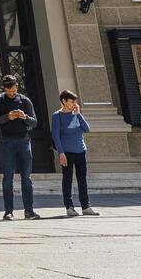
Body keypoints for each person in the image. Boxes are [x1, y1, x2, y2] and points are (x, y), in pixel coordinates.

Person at [0, 75, 41, 220]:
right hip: (6, 142)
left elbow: (34, 122)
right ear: (4, 88)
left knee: (26, 177)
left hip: (24, 141)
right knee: (8, 177)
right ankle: (8, 211)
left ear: (17, 87)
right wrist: (8, 117)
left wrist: (24, 116)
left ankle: (29, 211)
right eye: (8, 91)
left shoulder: (25, 100)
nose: (11, 93)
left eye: (13, 90)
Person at [51, 90, 98, 218]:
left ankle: (85, 207)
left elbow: (86, 129)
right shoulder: (57, 116)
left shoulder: (76, 114)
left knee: (82, 178)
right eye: (71, 101)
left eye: (74, 101)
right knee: (67, 179)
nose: (73, 104)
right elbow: (55, 136)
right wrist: (61, 153)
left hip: (80, 150)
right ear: (64, 101)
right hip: (67, 152)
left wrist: (78, 114)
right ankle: (69, 207)